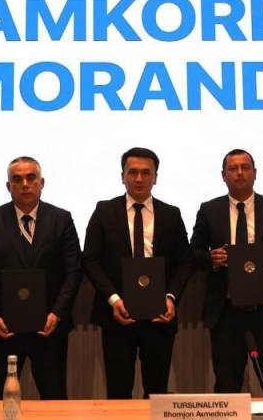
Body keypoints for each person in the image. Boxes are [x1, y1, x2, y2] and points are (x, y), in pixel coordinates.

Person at [82, 146, 193, 399]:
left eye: (146, 172)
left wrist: (171, 297)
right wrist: (113, 299)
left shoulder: (171, 214)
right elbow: (90, 260)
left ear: (156, 177)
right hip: (117, 315)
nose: (139, 178)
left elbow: (185, 262)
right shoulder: (104, 211)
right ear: (122, 176)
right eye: (132, 172)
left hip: (160, 316)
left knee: (157, 392)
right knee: (118, 391)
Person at [189, 148, 263, 395]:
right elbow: (193, 254)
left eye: (245, 167)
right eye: (233, 168)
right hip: (226, 312)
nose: (239, 173)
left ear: (255, 173)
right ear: (223, 175)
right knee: (227, 387)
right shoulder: (209, 210)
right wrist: (211, 258)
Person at [0, 156, 82, 400]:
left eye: (31, 178)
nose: (24, 184)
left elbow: (73, 272)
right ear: (8, 186)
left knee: (54, 400)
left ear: (42, 183)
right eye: (17, 179)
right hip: (2, 329)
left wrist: (57, 313)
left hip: (49, 328)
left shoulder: (61, 219)